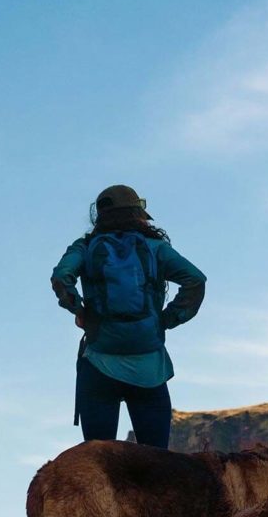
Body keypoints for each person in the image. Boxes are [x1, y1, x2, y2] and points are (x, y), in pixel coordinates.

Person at [50, 185, 204, 449]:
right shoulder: (156, 248)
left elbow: (61, 277)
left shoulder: (85, 247)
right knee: (155, 464)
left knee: (100, 462)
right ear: (138, 214)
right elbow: (196, 280)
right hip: (150, 368)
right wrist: (166, 319)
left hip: (98, 367)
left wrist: (79, 310)